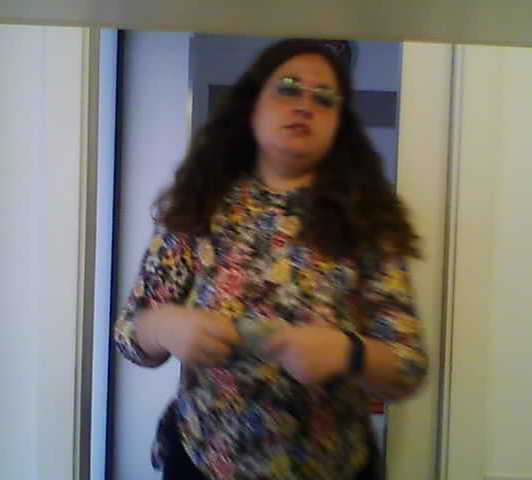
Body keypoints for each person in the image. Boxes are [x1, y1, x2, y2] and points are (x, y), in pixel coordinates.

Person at [114, 38, 428, 480]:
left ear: (339, 124)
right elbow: (129, 334)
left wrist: (349, 352)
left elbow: (408, 367)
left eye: (324, 98)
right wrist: (164, 326)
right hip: (202, 463)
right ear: (253, 105)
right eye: (288, 88)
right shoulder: (195, 206)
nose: (304, 104)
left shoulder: (370, 221)